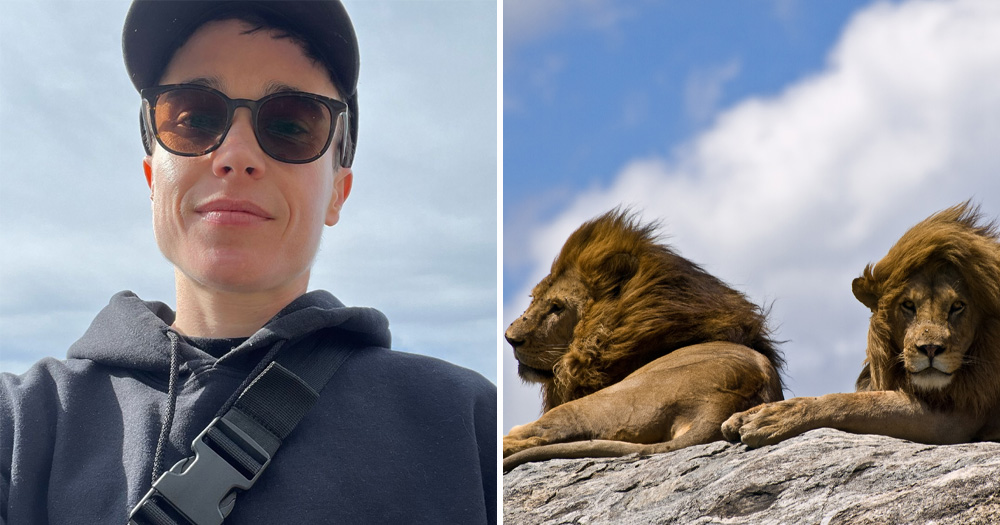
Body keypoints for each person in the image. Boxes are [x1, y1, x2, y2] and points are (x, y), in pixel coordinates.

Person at [0, 1, 496, 524]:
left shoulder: (466, 425)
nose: (236, 154)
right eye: (193, 116)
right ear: (153, 179)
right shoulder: (20, 426)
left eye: (290, 125)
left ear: (337, 194)